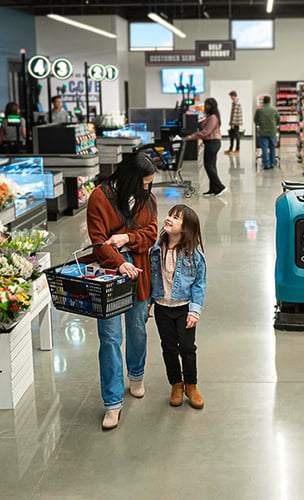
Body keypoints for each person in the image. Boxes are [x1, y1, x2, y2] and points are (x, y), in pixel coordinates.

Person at [85, 152, 158, 429]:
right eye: (144, 183)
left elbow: (151, 233)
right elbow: (98, 242)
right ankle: (112, 402)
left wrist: (128, 237)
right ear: (129, 180)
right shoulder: (99, 198)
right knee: (110, 336)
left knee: (138, 327)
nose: (148, 189)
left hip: (139, 268)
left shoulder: (147, 200)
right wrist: (118, 263)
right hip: (107, 272)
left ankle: (136, 375)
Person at [150, 204, 207, 409]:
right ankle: (176, 384)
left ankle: (191, 385)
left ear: (186, 228)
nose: (169, 219)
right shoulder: (156, 249)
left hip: (184, 308)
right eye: (170, 215)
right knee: (168, 347)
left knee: (187, 348)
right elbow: (151, 277)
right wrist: (148, 302)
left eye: (176, 218)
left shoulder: (194, 255)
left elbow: (199, 283)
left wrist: (195, 310)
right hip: (161, 307)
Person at [187, 98, 226, 197]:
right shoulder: (209, 116)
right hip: (210, 143)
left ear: (211, 106)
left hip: (213, 143)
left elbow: (206, 132)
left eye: (206, 104)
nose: (205, 106)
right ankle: (213, 189)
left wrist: (192, 137)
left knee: (209, 166)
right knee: (211, 166)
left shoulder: (213, 117)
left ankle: (220, 187)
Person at [254, 95, 281, 169]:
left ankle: (266, 164)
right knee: (272, 147)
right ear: (270, 101)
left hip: (263, 131)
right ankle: (272, 163)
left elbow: (255, 120)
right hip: (272, 131)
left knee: (264, 148)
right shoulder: (274, 109)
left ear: (263, 101)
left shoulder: (259, 110)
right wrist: (276, 125)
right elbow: (278, 120)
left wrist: (259, 124)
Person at [225, 90, 243, 154]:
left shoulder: (236, 103)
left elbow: (235, 114)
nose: (230, 98)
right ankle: (231, 148)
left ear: (233, 96)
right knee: (232, 135)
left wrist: (232, 123)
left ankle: (237, 149)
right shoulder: (235, 102)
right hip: (235, 122)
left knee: (236, 135)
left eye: (231, 96)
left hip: (235, 122)